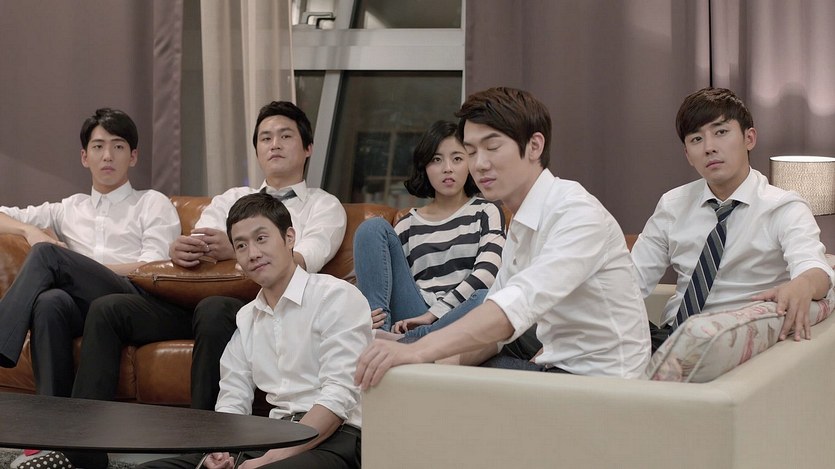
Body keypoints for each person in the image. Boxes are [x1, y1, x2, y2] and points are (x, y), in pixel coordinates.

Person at [56, 101, 345, 469]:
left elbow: (303, 260)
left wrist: (235, 249)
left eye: (285, 136)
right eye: (265, 138)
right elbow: (201, 248)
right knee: (108, 308)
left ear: (308, 148)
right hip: (190, 300)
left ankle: (203, 446)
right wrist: (179, 250)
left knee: (214, 308)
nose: (274, 144)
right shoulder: (229, 200)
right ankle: (81, 453)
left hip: (250, 306)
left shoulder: (324, 206)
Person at [354, 87, 651, 390]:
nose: (479, 164)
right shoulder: (521, 225)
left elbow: (512, 308)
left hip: (603, 386)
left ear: (534, 146)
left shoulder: (576, 213)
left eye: (492, 147)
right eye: (471, 152)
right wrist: (435, 367)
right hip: (556, 369)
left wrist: (416, 350)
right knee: (430, 380)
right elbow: (494, 331)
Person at [0, 108, 180, 468]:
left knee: (49, 256)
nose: (107, 155)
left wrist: (74, 266)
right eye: (98, 147)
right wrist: (29, 230)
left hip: (133, 300)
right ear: (85, 157)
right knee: (49, 302)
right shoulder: (69, 208)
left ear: (133, 156)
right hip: (86, 308)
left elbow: (152, 268)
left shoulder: (151, 203)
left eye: (118, 146)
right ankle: (52, 438)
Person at [141, 192, 370, 469]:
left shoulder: (336, 296)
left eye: (261, 239)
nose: (253, 254)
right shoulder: (247, 317)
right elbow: (233, 397)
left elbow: (338, 399)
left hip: (336, 439)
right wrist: (221, 450)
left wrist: (269, 459)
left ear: (289, 238)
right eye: (241, 245)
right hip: (272, 437)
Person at [630, 87, 834, 351]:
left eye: (721, 132)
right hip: (670, 336)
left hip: (728, 343)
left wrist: (802, 284)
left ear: (749, 138)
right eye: (696, 139)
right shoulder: (673, 204)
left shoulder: (783, 207)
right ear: (688, 155)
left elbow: (816, 271)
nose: (709, 148)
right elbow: (631, 280)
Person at [352, 120, 505, 341]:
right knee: (372, 227)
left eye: (457, 158)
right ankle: (380, 333)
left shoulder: (486, 211)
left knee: (486, 298)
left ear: (470, 164)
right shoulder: (407, 224)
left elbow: (488, 274)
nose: (447, 168)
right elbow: (386, 283)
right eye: (436, 159)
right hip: (414, 311)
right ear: (425, 166)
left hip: (460, 316)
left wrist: (433, 316)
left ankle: (413, 341)